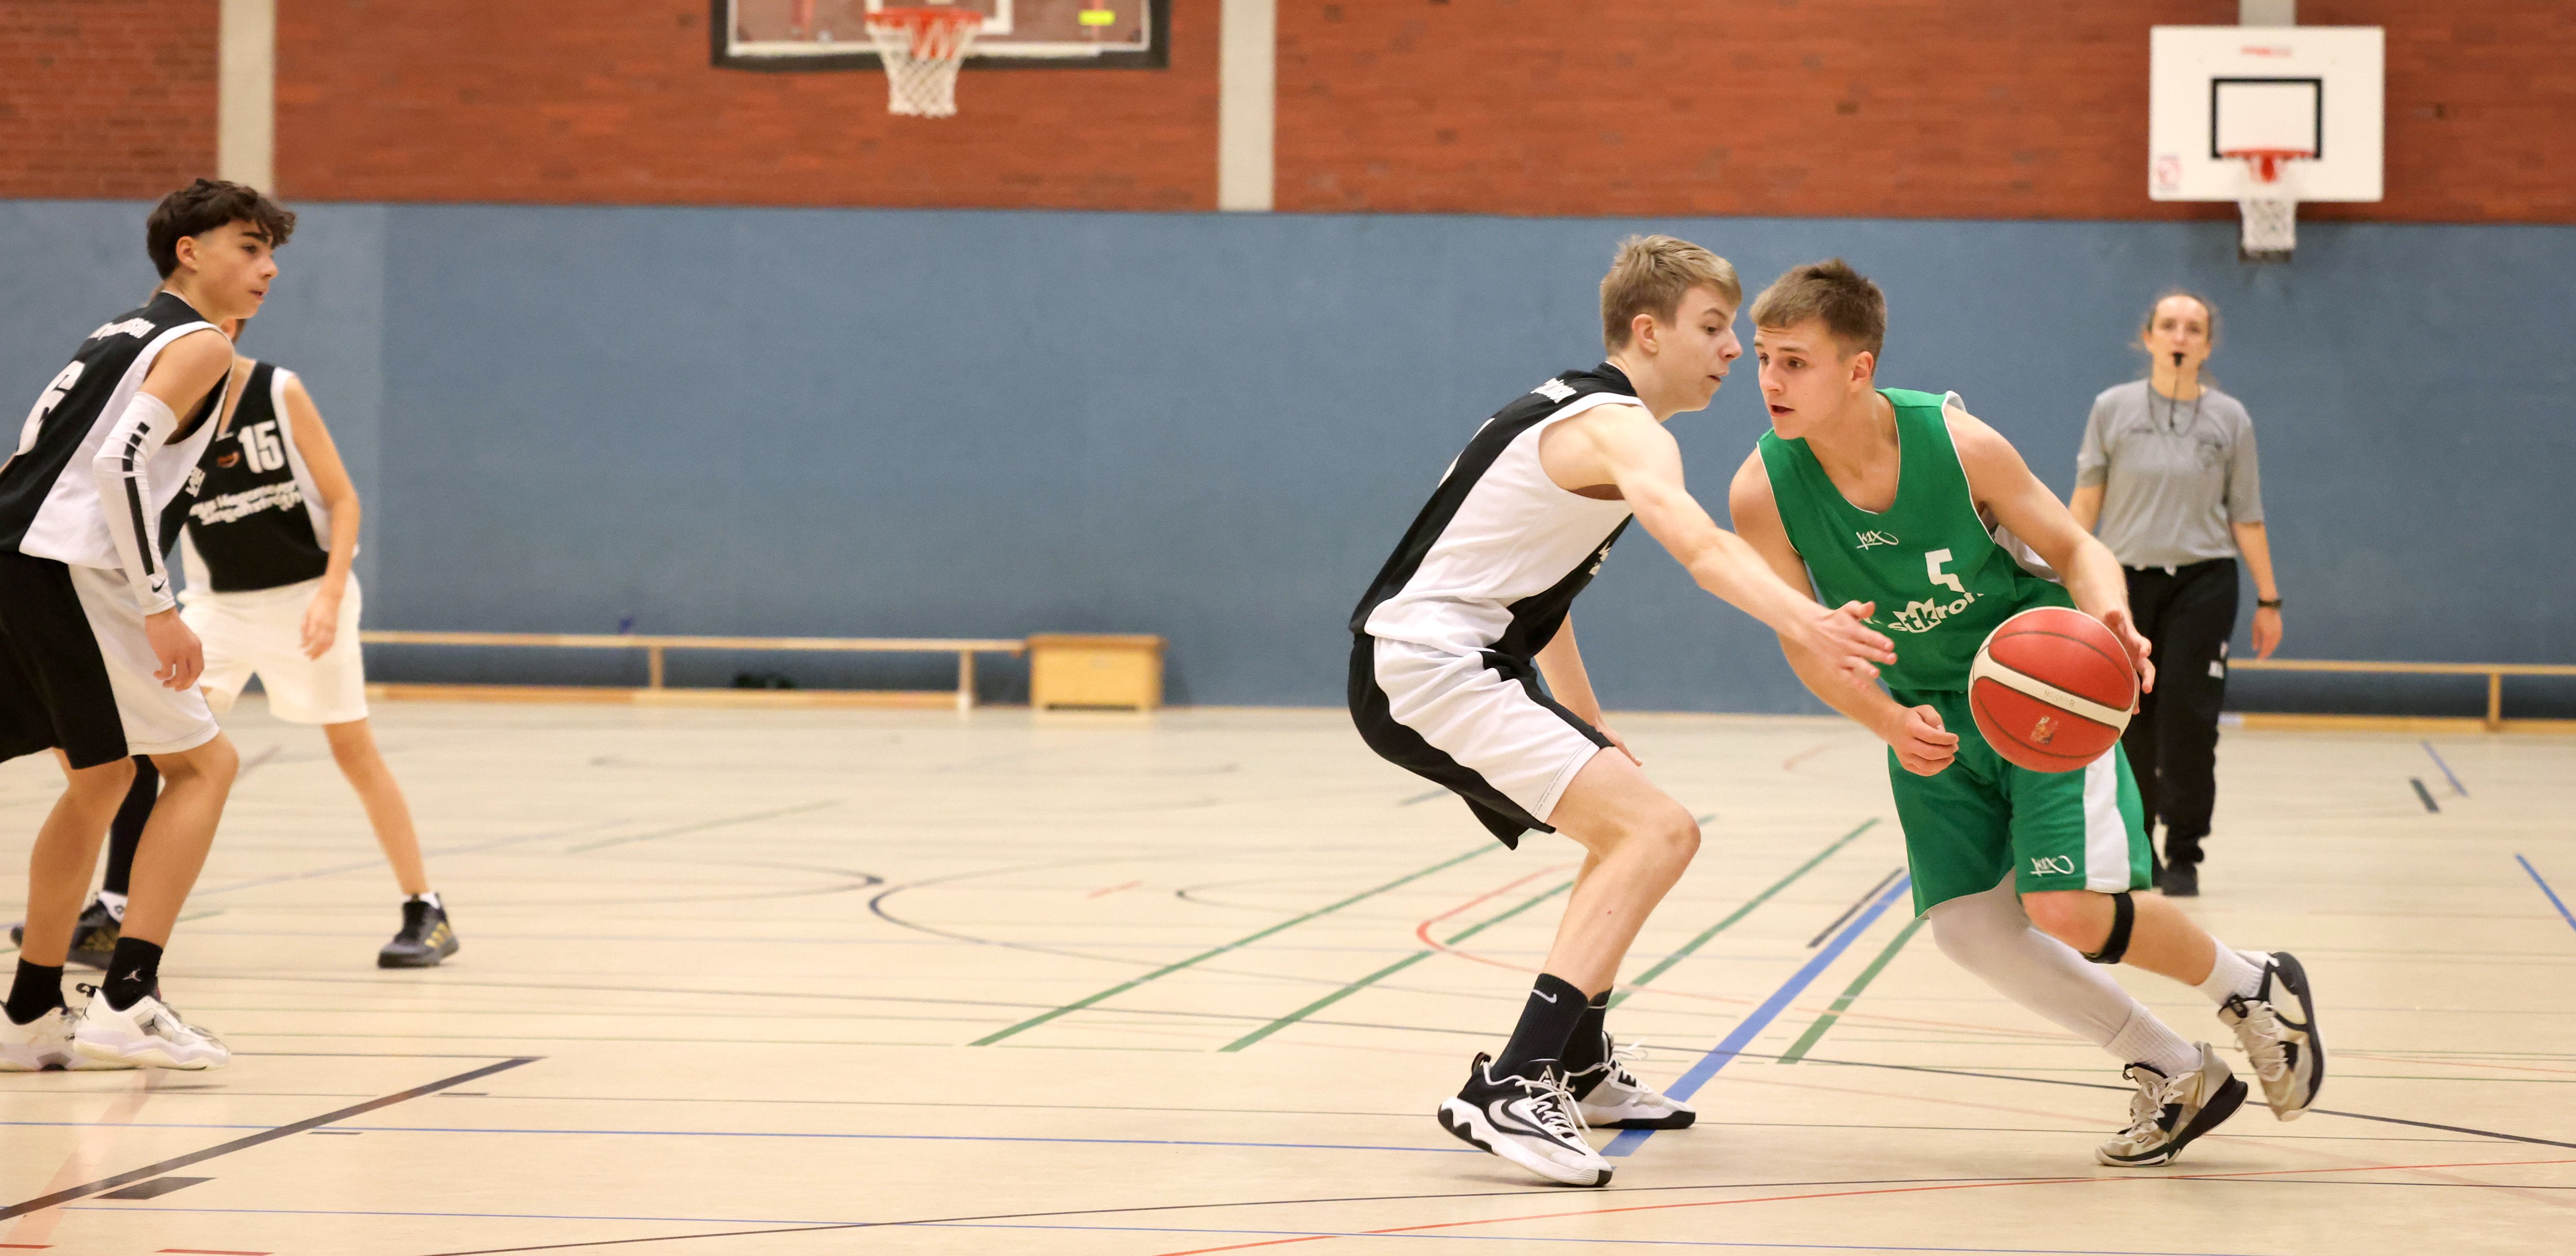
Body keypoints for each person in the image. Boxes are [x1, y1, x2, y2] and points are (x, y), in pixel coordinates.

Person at [1725, 260, 2322, 1166]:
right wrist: (1885, 719)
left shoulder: (1960, 444)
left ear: (1858, 369)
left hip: (2038, 687)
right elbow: (1805, 642)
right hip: (1926, 717)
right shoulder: (1761, 489)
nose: (1770, 379)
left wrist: (2110, 615)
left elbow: (2078, 547)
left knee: (2065, 906)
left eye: (1795, 361)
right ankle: (2176, 1067)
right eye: (1765, 357)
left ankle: (2252, 984)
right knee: (1969, 929)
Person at [1349, 235, 1894, 1187]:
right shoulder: (1625, 429)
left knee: (1626, 827)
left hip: (1456, 657)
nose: (1735, 350)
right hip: (1433, 665)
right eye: (1714, 327)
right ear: (1648, 331)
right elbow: (1705, 549)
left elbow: (1541, 589)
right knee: (1660, 832)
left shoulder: (1575, 409)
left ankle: (1578, 1060)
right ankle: (1514, 1082)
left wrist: (1584, 716)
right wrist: (1808, 619)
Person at [9, 325, 461, 969]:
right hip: (217, 609)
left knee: (353, 750)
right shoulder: (159, 405)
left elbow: (343, 499)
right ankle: (114, 907)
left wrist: (331, 596)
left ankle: (425, 905)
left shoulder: (278, 390)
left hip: (305, 595)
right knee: (152, 742)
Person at [0, 179, 294, 1072]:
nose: (268, 268)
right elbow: (119, 464)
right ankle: (128, 995)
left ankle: (29, 1011)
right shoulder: (200, 343)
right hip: (69, 567)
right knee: (205, 764)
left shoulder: (121, 332)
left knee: (101, 779)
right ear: (189, 252)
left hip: (17, 556)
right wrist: (160, 605)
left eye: (272, 253)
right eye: (249, 247)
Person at [2070, 292, 2281, 897]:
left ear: (2207, 345)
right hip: (2124, 582)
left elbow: (2246, 514)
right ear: (2148, 338)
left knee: (2189, 718)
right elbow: (2085, 500)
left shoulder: (2230, 419)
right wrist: (2057, 571)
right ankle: (2137, 846)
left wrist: (2270, 600)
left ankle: (2184, 851)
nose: (2179, 336)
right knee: (2130, 717)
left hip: (2203, 581)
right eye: (2168, 325)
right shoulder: (2111, 408)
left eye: (2192, 328)